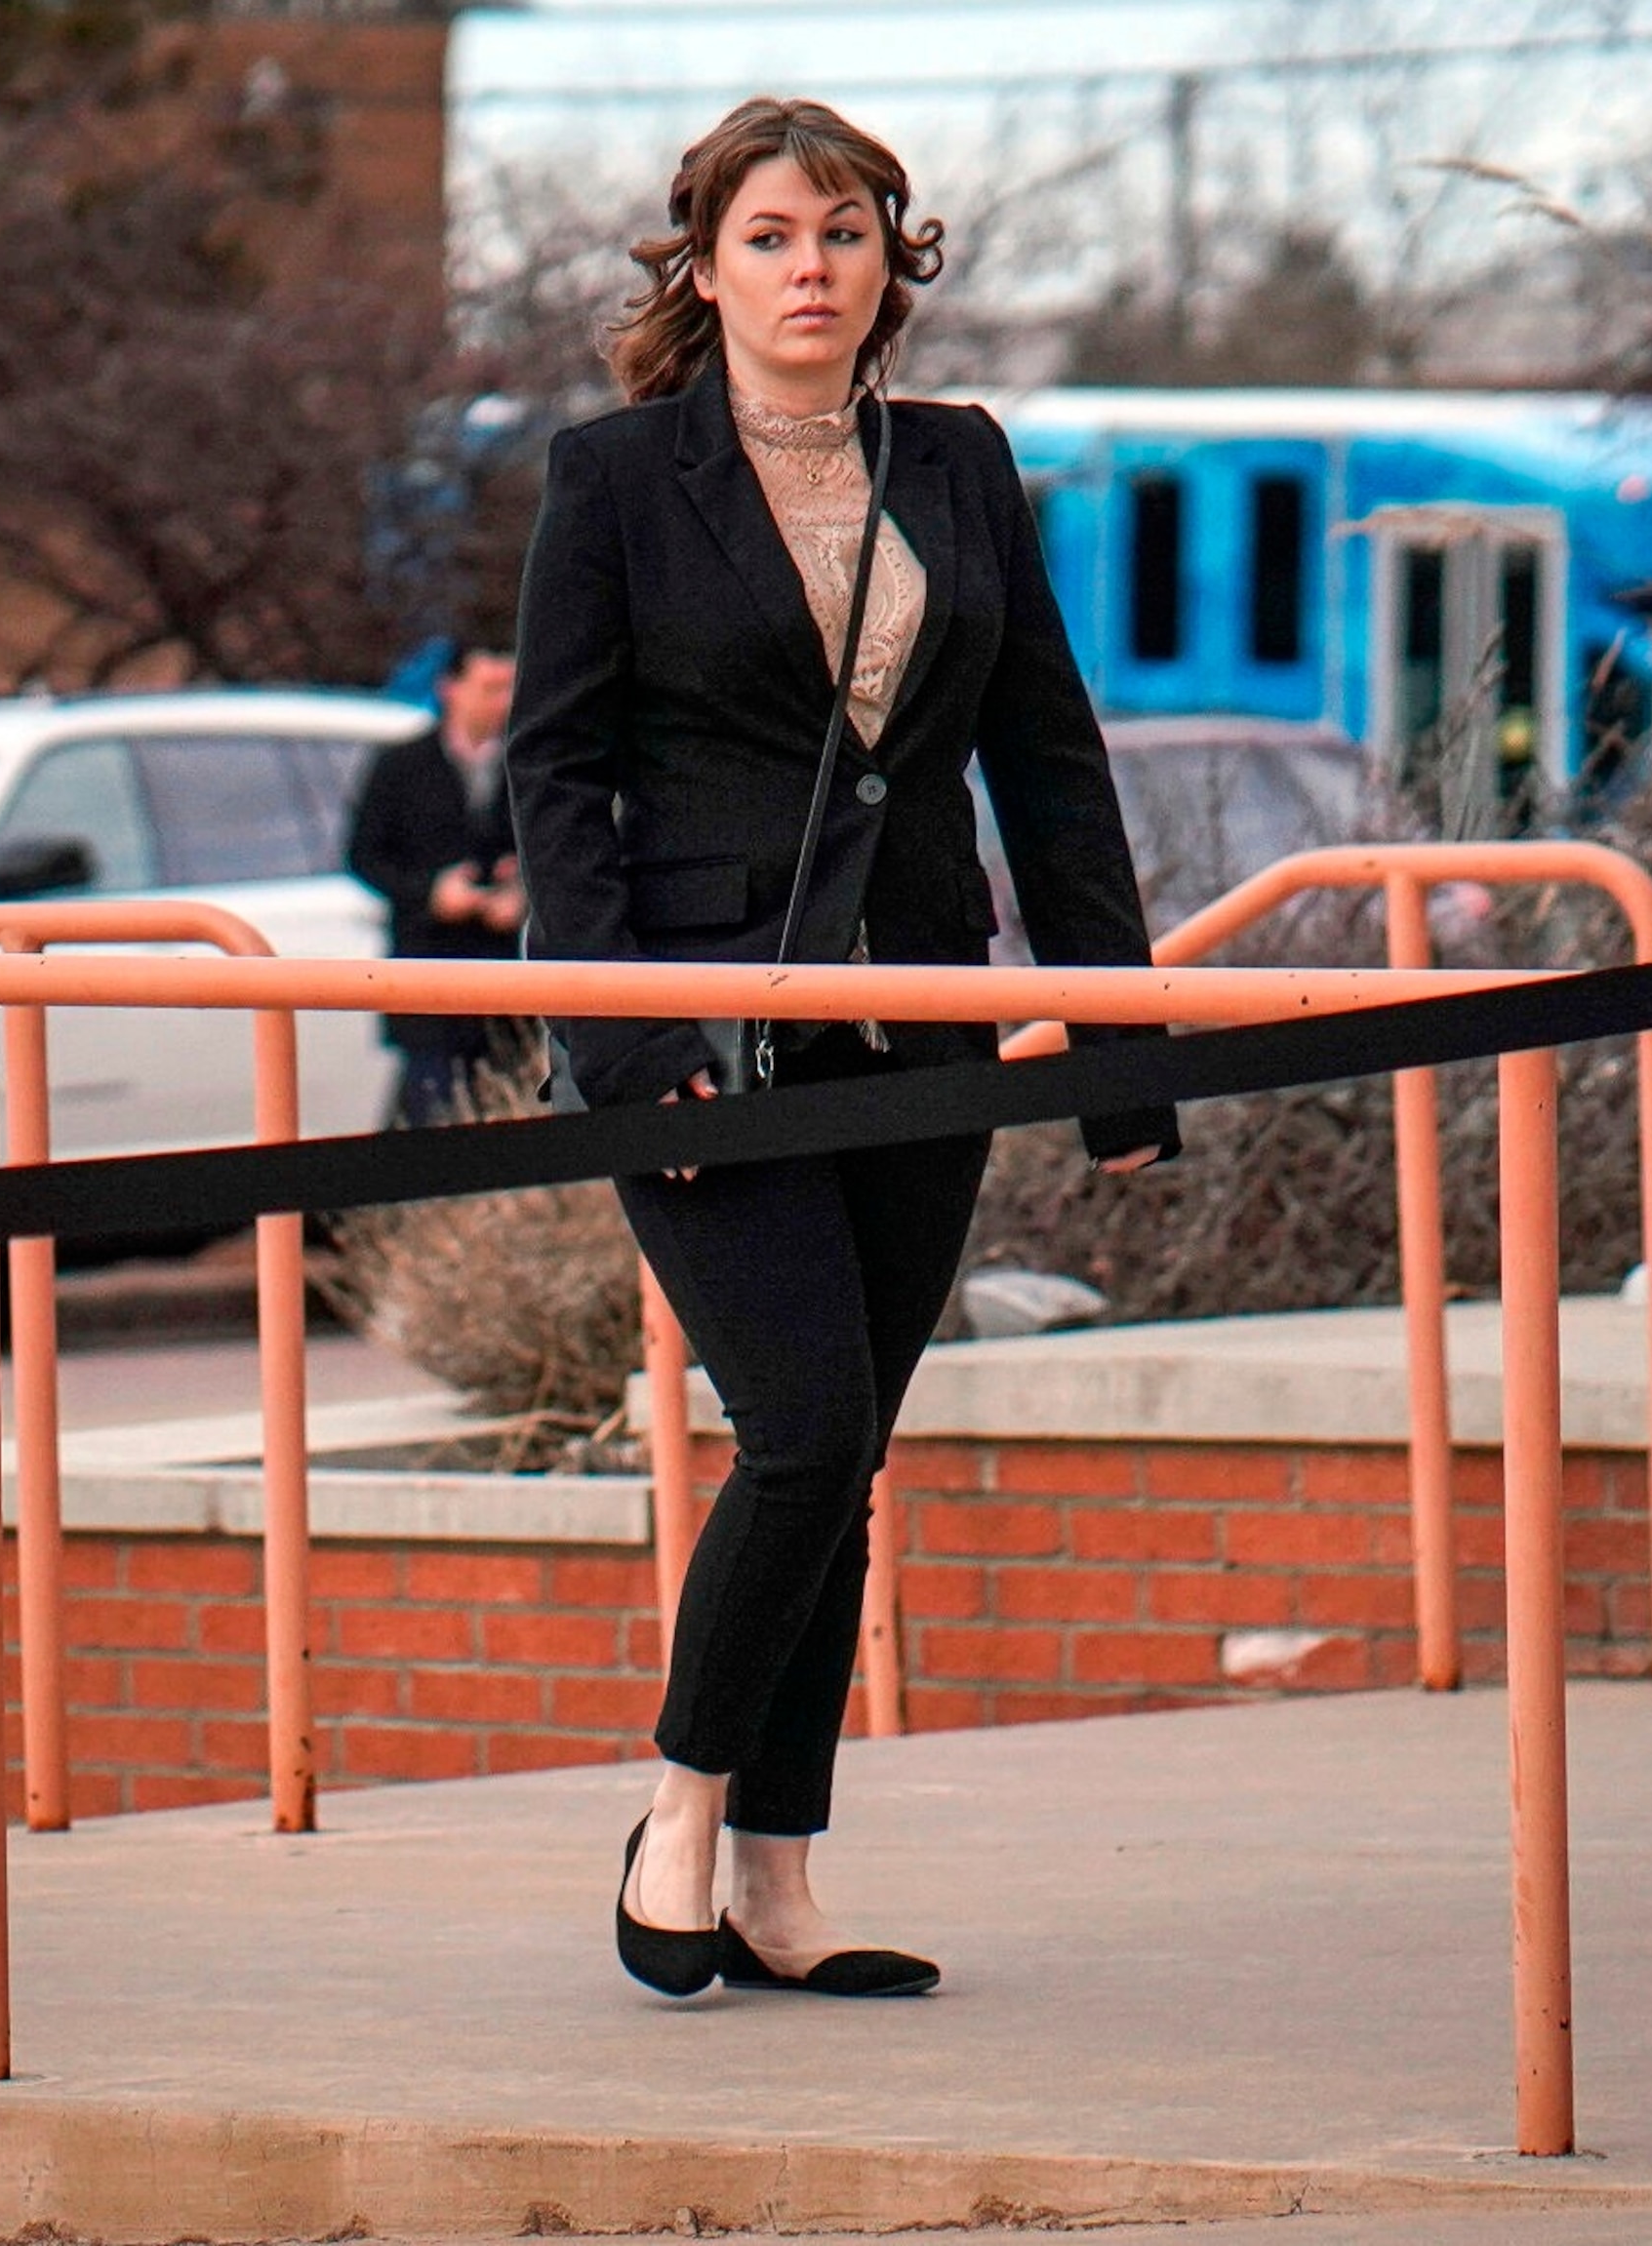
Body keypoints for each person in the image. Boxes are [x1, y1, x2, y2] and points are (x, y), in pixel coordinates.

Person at [504, 96, 1179, 2001]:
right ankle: (686, 1811)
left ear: (896, 264)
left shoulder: (957, 465)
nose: (813, 268)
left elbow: (1048, 758)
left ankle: (783, 1882)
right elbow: (556, 777)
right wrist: (623, 1046)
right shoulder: (619, 477)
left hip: (928, 1019)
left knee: (847, 1450)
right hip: (703, 1034)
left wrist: (1121, 1046)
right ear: (704, 265)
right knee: (797, 1428)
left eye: (848, 234)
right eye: (776, 236)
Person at [346, 643, 531, 1124]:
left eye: (509, 687)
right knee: (431, 1115)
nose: (502, 701)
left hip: (510, 983)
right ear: (450, 689)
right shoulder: (402, 765)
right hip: (427, 977)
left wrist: (522, 894)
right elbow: (364, 856)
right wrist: (431, 893)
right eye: (489, 688)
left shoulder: (528, 765)